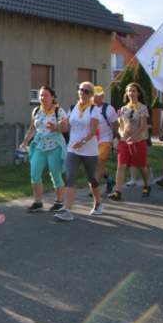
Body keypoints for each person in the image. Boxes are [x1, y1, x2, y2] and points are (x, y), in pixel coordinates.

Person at [55, 81, 104, 221]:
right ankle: (67, 210)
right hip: (72, 149)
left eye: (87, 91)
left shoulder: (94, 109)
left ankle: (98, 203)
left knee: (92, 178)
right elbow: (67, 127)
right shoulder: (73, 107)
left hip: (89, 150)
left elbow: (94, 131)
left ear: (91, 95)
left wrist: (81, 142)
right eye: (81, 89)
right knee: (70, 176)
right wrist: (58, 126)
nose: (83, 93)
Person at [19, 86, 68, 212]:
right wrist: (25, 142)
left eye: (46, 95)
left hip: (54, 146)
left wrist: (56, 127)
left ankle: (59, 202)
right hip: (39, 146)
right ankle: (38, 202)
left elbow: (65, 129)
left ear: (52, 97)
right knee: (34, 174)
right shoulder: (36, 111)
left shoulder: (59, 111)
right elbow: (32, 129)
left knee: (55, 174)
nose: (43, 98)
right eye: (41, 95)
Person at [109, 83, 151, 201]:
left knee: (141, 166)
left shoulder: (142, 108)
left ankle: (146, 185)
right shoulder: (123, 109)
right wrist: (122, 134)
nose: (131, 93)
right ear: (126, 94)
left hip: (138, 141)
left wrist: (134, 137)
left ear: (138, 93)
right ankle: (118, 191)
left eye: (133, 91)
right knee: (121, 165)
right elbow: (121, 126)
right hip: (124, 141)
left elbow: (143, 126)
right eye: (129, 91)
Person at [92, 85, 118, 194]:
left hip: (105, 139)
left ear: (102, 96)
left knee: (99, 161)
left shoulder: (108, 109)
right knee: (96, 164)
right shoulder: (89, 108)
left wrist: (113, 137)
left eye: (98, 95)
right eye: (94, 95)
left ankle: (94, 187)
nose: (95, 97)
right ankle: (109, 179)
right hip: (92, 140)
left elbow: (115, 123)